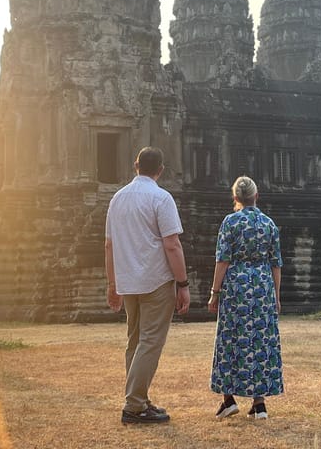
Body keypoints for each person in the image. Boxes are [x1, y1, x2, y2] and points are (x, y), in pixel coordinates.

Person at [105, 146, 191, 424]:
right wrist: (183, 283)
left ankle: (139, 399)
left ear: (135, 166)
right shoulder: (161, 198)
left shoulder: (117, 199)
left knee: (135, 342)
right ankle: (134, 405)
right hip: (155, 280)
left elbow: (109, 245)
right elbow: (172, 244)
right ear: (161, 170)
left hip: (128, 281)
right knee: (150, 342)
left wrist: (112, 284)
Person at [207, 175, 283, 420]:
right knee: (260, 339)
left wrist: (214, 292)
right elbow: (276, 264)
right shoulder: (268, 224)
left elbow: (223, 260)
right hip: (262, 285)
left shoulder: (230, 222)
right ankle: (259, 404)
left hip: (236, 285)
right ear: (256, 196)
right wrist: (277, 296)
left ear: (236, 198)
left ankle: (228, 400)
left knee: (230, 338)